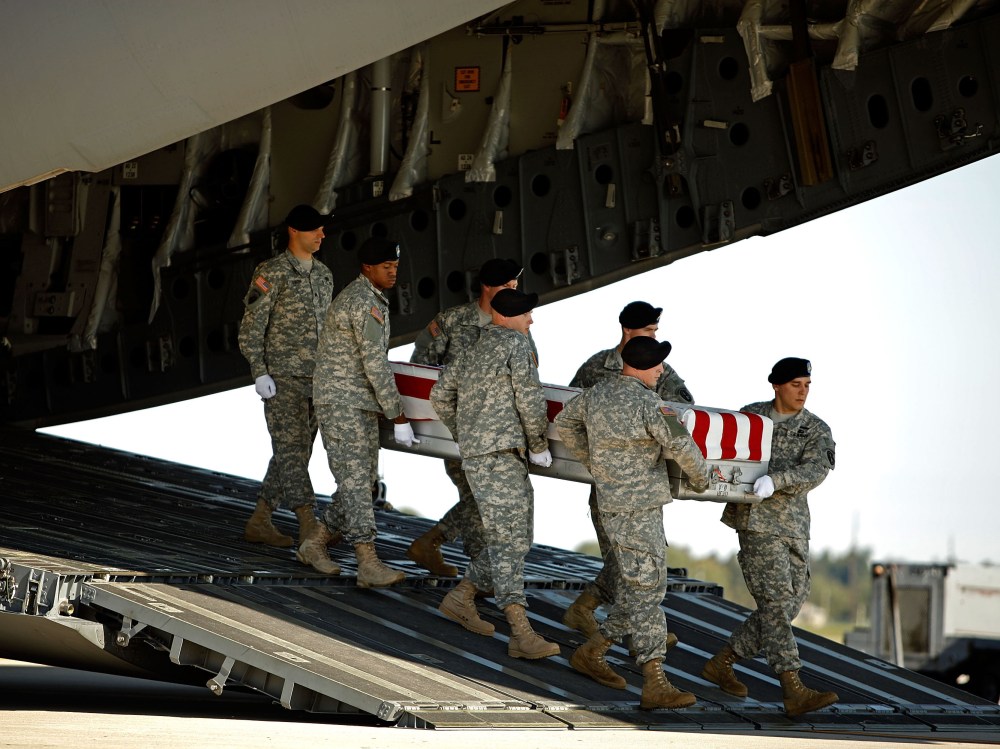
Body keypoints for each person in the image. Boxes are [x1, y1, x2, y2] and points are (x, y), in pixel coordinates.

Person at [555, 336, 711, 709]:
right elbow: (683, 448)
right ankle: (654, 679)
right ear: (644, 366)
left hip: (611, 504)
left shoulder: (596, 395)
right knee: (648, 592)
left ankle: (594, 650)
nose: (661, 371)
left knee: (642, 589)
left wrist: (595, 465)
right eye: (658, 365)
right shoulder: (651, 405)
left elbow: (564, 421)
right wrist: (703, 479)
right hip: (640, 509)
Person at [701, 357, 839, 718]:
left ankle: (724, 661)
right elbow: (726, 451)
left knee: (791, 602)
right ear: (776, 385)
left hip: (793, 524)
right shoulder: (751, 417)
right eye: (796, 385)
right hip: (756, 521)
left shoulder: (815, 428)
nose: (803, 392)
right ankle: (793, 687)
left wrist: (777, 480)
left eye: (807, 385)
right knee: (777, 603)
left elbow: (816, 469)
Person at [430, 288, 559, 660]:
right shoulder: (516, 346)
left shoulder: (472, 348)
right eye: (528, 315)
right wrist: (538, 444)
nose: (531, 321)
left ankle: (462, 596)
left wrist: (467, 434)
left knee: (515, 538)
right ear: (514, 316)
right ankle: (520, 631)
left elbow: (440, 395)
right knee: (511, 538)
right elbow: (530, 398)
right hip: (502, 454)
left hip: (479, 455)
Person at [562, 301, 694, 645]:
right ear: (628, 331)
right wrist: (592, 460)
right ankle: (638, 627)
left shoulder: (660, 374)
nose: (660, 367)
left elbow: (683, 412)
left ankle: (635, 623)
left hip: (640, 484)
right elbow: (568, 413)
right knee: (631, 566)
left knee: (630, 564)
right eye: (649, 332)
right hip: (609, 487)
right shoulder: (595, 369)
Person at [299, 237, 419, 586]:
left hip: (356, 402)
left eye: (396, 266)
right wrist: (397, 414)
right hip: (343, 402)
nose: (393, 272)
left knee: (361, 484)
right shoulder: (364, 303)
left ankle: (315, 544)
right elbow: (375, 363)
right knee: (354, 481)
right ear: (367, 268)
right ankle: (367, 561)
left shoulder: (370, 298)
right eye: (387, 267)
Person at [406, 257, 524, 577]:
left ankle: (469, 565)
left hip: (499, 431)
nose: (513, 292)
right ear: (486, 287)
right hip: (457, 427)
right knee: (479, 494)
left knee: (477, 496)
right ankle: (437, 544)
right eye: (507, 286)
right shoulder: (452, 321)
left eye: (515, 287)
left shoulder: (516, 323)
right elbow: (420, 369)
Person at [237, 204, 334, 549]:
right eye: (315, 230)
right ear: (294, 231)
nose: (322, 235)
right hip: (282, 379)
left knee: (294, 452)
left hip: (316, 380)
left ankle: (260, 519)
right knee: (292, 451)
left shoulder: (323, 275)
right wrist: (259, 372)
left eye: (323, 229)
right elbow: (251, 327)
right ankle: (309, 522)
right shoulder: (272, 273)